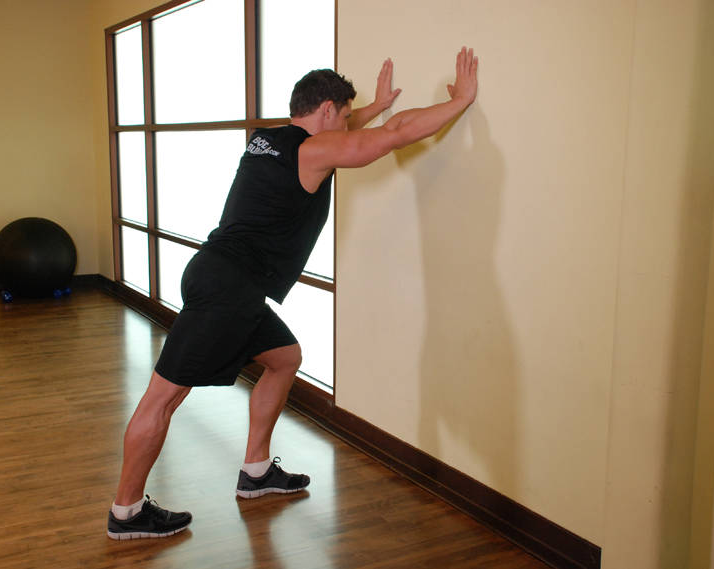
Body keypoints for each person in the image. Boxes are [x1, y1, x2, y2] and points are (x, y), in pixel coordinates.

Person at [106, 47, 479, 540]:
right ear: (326, 111)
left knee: (284, 357)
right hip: (229, 290)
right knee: (164, 398)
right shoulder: (313, 151)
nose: (350, 125)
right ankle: (126, 514)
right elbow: (393, 136)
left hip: (217, 274)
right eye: (345, 117)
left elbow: (355, 125)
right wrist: (461, 101)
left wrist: (372, 106)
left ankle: (256, 474)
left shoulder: (268, 139)